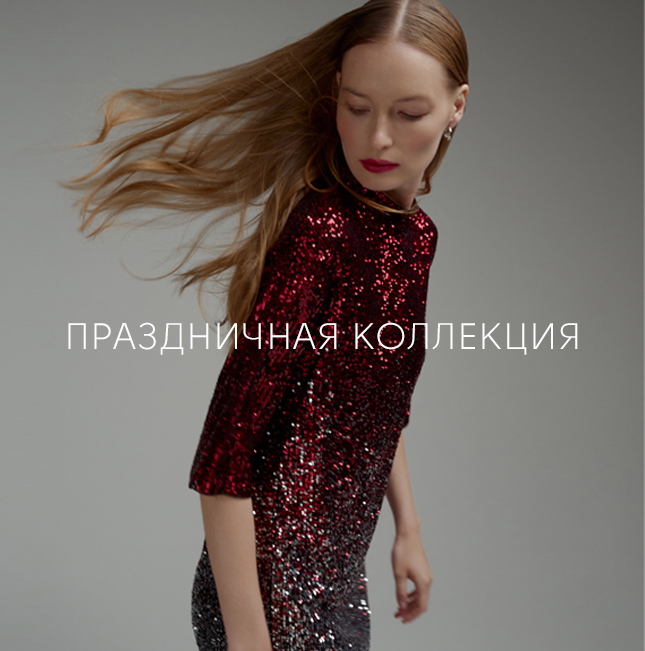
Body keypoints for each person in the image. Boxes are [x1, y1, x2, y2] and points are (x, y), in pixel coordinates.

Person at [64, 1, 469, 649]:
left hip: (337, 577)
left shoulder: (416, 239)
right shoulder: (320, 234)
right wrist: (250, 638)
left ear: (455, 107)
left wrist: (409, 530)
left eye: (408, 113)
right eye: (357, 107)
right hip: (265, 592)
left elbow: (373, 404)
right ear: (335, 97)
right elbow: (222, 458)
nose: (377, 139)